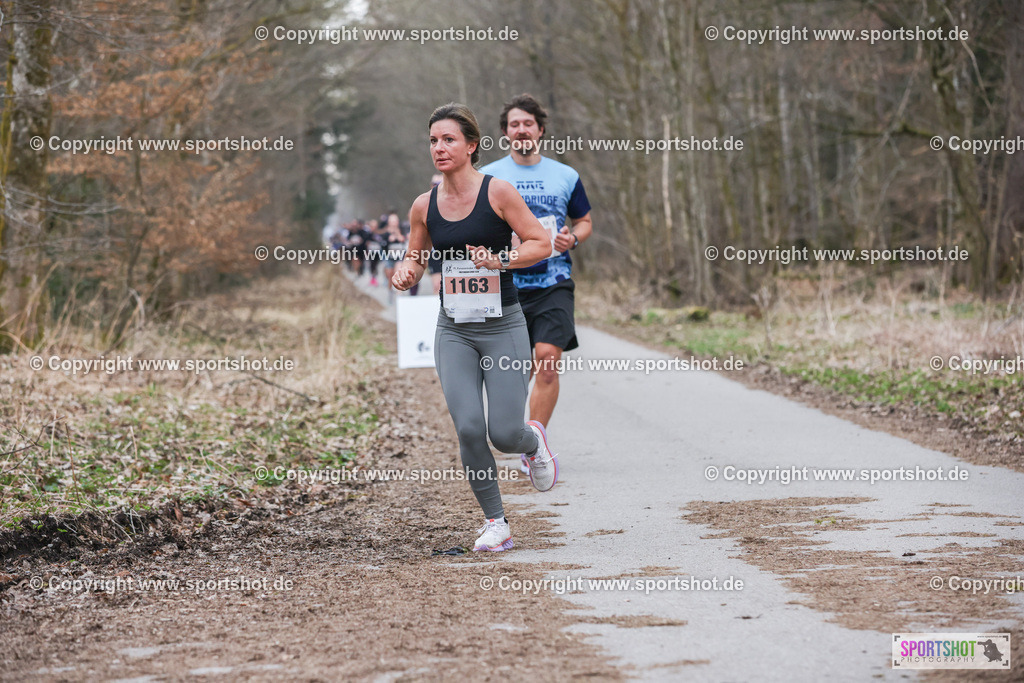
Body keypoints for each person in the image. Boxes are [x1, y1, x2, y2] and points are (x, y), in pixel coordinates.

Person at [392, 102, 558, 552]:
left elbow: (540, 243)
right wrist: (407, 271)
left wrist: (501, 259)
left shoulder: (498, 193)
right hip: (454, 329)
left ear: (471, 146)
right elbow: (416, 254)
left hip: (502, 323)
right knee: (468, 427)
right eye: (432, 141)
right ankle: (496, 523)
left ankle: (533, 442)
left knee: (504, 432)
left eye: (448, 140)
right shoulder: (423, 205)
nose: (439, 148)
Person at [480, 94, 593, 473]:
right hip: (507, 284)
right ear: (505, 133)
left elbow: (585, 221)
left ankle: (536, 444)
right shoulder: (491, 177)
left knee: (547, 361)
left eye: (528, 123)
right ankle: (521, 438)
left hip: (554, 280)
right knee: (516, 369)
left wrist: (572, 239)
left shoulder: (565, 175)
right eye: (514, 124)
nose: (521, 129)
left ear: (540, 130)